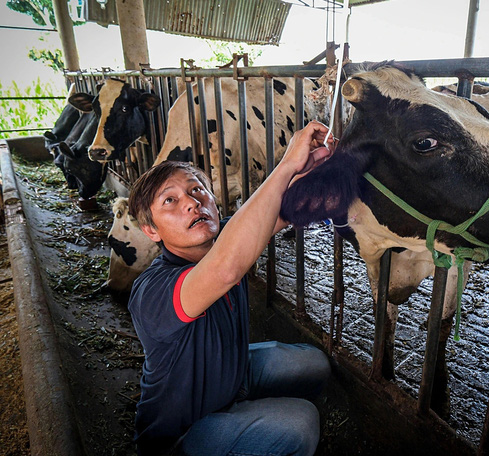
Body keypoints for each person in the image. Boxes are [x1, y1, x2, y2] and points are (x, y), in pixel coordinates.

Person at [126, 120, 335, 456]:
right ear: (151, 231)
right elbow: (224, 269)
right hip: (181, 434)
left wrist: (312, 166)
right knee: (300, 422)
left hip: (231, 379)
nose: (192, 203)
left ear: (213, 200)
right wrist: (285, 165)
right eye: (170, 201)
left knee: (313, 364)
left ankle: (247, 421)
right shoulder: (152, 291)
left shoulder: (225, 237)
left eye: (197, 190)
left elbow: (283, 208)